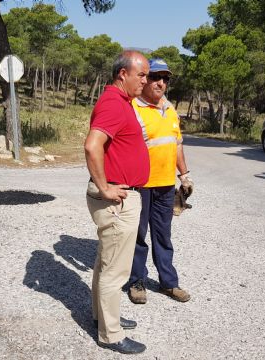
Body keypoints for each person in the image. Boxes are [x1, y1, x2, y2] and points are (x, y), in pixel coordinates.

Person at [84, 50, 150, 355]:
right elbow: (92, 145)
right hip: (118, 199)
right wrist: (104, 187)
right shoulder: (113, 102)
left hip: (123, 195)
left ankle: (102, 316)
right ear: (122, 73)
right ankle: (110, 334)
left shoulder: (122, 102)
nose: (146, 81)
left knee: (105, 262)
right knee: (115, 271)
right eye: (142, 75)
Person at [127, 58, 193, 305]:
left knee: (163, 236)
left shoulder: (170, 109)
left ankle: (168, 283)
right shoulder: (133, 107)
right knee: (138, 235)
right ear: (144, 79)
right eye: (155, 77)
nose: (161, 83)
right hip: (140, 184)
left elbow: (177, 145)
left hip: (165, 185)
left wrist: (184, 176)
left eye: (165, 79)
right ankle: (137, 281)